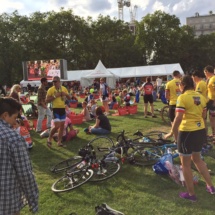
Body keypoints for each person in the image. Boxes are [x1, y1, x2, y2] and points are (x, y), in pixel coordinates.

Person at [164, 75, 214, 202]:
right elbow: (203, 116)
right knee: (198, 160)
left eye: (180, 85)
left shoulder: (183, 97)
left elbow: (178, 118)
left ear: (183, 85)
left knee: (185, 164)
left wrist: (173, 133)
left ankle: (191, 194)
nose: (179, 87)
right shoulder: (201, 97)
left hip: (187, 132)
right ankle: (211, 187)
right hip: (200, 131)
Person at [0, 97, 38, 214]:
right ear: (5, 115)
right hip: (7, 200)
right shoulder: (13, 138)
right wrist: (33, 200)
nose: (15, 122)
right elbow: (25, 173)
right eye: (15, 117)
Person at [45, 76, 71, 147]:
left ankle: (59, 141)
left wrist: (65, 94)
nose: (54, 83)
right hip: (55, 109)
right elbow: (46, 100)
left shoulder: (64, 89)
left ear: (59, 82)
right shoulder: (51, 89)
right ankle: (49, 138)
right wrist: (54, 96)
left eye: (55, 81)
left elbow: (69, 98)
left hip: (62, 109)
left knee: (62, 126)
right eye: (53, 81)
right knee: (57, 126)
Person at [204, 65, 215, 137]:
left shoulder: (213, 79)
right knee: (210, 118)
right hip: (209, 100)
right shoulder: (209, 79)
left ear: (207, 72)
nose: (205, 74)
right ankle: (212, 133)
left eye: (205, 73)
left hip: (213, 101)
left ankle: (214, 134)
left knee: (212, 118)